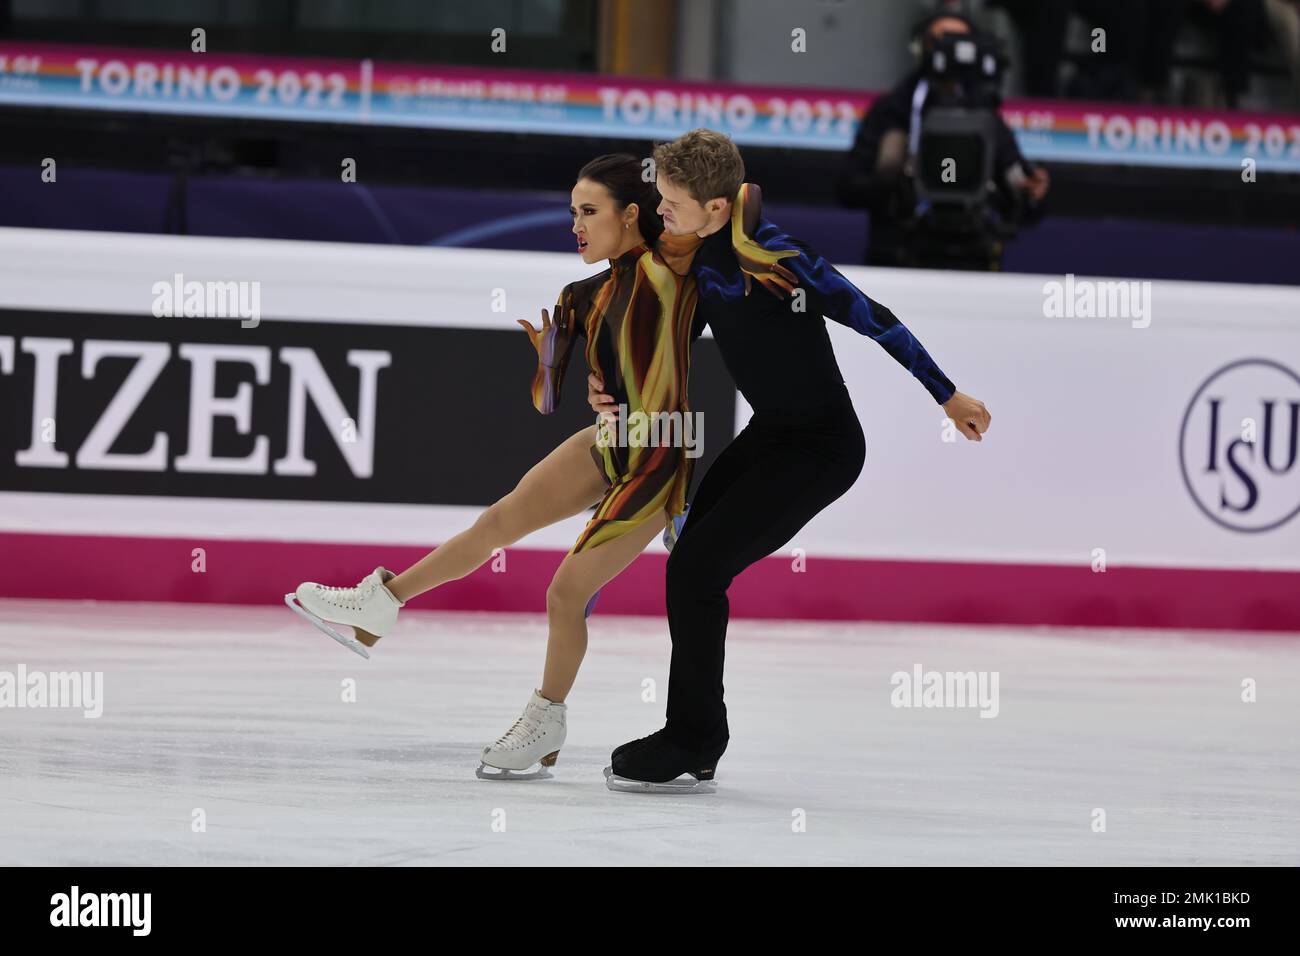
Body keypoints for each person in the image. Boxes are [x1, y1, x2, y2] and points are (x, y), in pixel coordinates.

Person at [596, 129, 991, 793]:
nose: (660, 211)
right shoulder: (700, 261)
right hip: (773, 435)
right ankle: (697, 736)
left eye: (671, 202)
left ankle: (693, 735)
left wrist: (947, 395)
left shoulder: (779, 257)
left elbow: (875, 318)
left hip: (822, 451)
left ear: (717, 208)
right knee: (691, 555)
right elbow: (674, 342)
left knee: (695, 569)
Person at [287, 154, 702, 780]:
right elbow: (547, 402)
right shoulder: (578, 297)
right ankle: (379, 606)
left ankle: (546, 721)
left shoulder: (675, 265)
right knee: (496, 522)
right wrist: (545, 362)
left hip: (660, 457)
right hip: (607, 440)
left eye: (589, 212)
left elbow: (733, 201)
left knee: (565, 592)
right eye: (572, 213)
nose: (576, 227)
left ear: (633, 214)